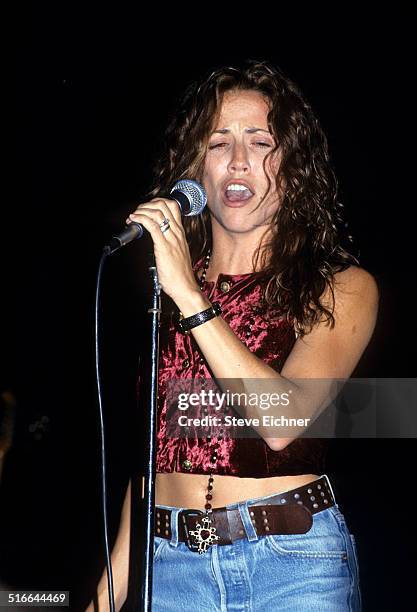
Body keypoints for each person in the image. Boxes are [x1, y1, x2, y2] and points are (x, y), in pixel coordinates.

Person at [88, 60, 378, 611]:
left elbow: (283, 423)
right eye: (219, 143)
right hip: (170, 567)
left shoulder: (339, 286)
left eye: (261, 141)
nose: (239, 159)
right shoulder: (168, 291)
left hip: (293, 565)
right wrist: (105, 596)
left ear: (293, 165)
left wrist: (193, 300)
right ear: (195, 169)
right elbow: (156, 460)